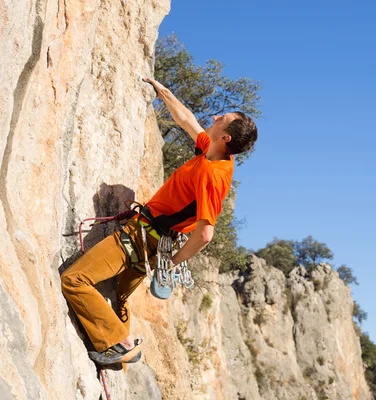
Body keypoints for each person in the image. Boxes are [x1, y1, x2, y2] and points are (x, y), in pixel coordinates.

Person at [61, 76, 258, 365]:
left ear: (225, 137)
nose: (215, 117)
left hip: (141, 240)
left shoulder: (213, 175)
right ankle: (123, 340)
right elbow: (188, 121)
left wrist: (172, 263)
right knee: (118, 299)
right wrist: (162, 90)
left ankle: (118, 345)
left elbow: (205, 234)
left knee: (74, 280)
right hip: (149, 241)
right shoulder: (211, 151)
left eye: (221, 119)